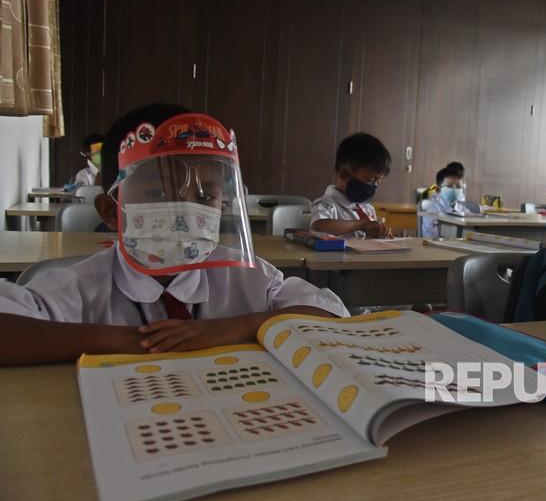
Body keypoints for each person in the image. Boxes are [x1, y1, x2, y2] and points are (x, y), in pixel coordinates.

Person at [0, 104, 348, 365]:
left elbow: (332, 318)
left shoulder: (248, 278)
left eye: (203, 197)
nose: (185, 212)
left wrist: (237, 328)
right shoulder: (78, 287)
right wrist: (131, 342)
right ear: (110, 212)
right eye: (157, 195)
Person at [310, 132, 392, 239]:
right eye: (370, 180)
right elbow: (318, 226)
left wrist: (379, 234)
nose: (374, 186)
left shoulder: (367, 208)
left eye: (377, 182)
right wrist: (361, 224)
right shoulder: (326, 205)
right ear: (345, 174)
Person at [420, 165, 469, 238]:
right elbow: (432, 235)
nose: (454, 190)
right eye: (449, 186)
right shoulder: (432, 207)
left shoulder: (460, 207)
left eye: (458, 186)